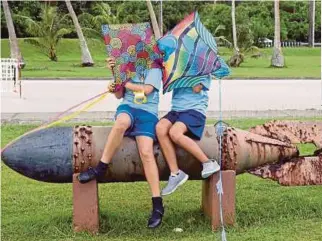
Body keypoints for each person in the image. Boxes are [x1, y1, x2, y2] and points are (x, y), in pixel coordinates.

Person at [77, 57, 164, 229]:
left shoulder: (154, 67)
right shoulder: (126, 65)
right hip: (128, 108)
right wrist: (114, 72)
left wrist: (123, 79)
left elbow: (146, 90)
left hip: (147, 113)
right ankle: (101, 167)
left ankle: (157, 204)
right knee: (121, 123)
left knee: (146, 152)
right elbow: (118, 95)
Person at [156, 75, 220, 196]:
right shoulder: (179, 65)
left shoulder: (203, 70)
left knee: (175, 133)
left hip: (194, 110)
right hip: (176, 110)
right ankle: (175, 173)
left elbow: (196, 88)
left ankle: (208, 163)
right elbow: (168, 85)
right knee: (160, 128)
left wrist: (189, 73)